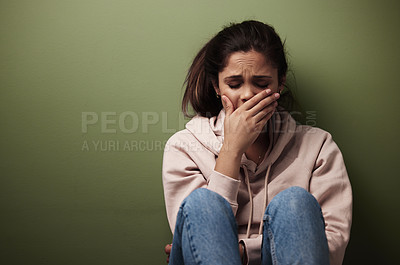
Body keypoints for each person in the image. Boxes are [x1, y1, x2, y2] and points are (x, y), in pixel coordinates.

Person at [162, 20, 352, 265]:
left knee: (295, 202)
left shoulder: (318, 147)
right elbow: (197, 237)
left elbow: (331, 247)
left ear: (280, 83)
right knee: (203, 203)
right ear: (216, 86)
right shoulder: (184, 147)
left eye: (262, 84)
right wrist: (231, 149)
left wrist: (244, 252)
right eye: (233, 84)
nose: (247, 95)